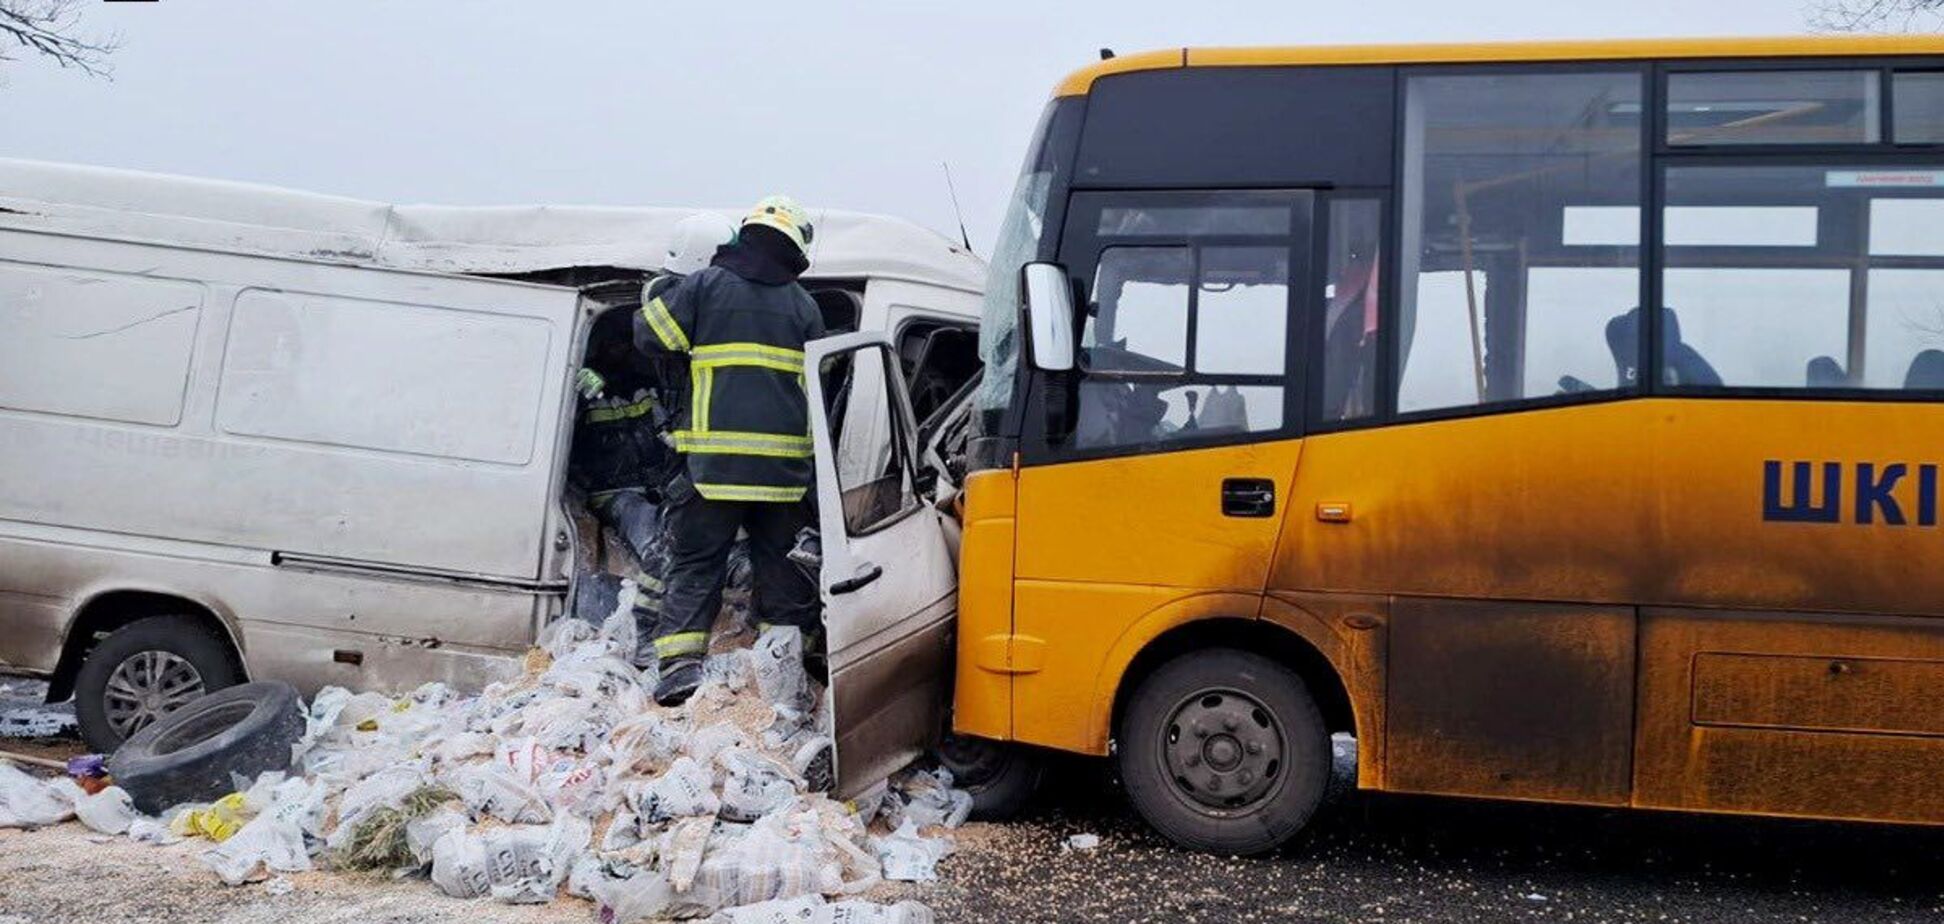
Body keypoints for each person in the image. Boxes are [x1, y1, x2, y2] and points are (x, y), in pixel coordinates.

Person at [634, 196, 826, 706]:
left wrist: (667, 288)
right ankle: (782, 677)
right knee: (781, 569)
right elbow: (822, 385)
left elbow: (650, 337)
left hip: (714, 469)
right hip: (782, 476)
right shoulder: (805, 307)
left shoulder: (705, 287)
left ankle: (679, 668)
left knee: (698, 562)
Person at [569, 212, 736, 666]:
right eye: (615, 345)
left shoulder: (649, 388)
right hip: (613, 492)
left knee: (687, 534)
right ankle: (647, 638)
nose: (624, 351)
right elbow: (563, 445)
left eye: (628, 345)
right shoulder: (585, 386)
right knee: (653, 538)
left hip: (657, 483)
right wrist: (577, 392)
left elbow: (668, 432)